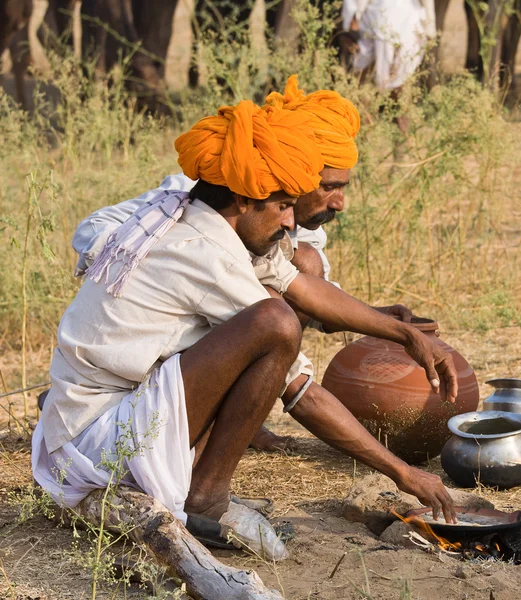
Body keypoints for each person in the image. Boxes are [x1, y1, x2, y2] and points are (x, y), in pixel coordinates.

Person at [33, 95, 457, 549]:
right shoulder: (202, 251)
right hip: (100, 447)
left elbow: (300, 283)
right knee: (274, 322)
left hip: (85, 432)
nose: (291, 220)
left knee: (273, 309)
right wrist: (403, 472)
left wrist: (404, 333)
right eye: (283, 206)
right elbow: (300, 391)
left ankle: (200, 486)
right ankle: (206, 498)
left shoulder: (194, 213)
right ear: (242, 199)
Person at [70, 75, 415, 452]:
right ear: (292, 175)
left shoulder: (285, 227)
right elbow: (96, 229)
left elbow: (307, 294)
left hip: (192, 335)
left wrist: (394, 329)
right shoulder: (200, 206)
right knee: (268, 310)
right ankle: (218, 446)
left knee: (302, 269)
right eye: (329, 186)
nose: (339, 203)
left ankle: (243, 416)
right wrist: (139, 263)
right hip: (117, 403)